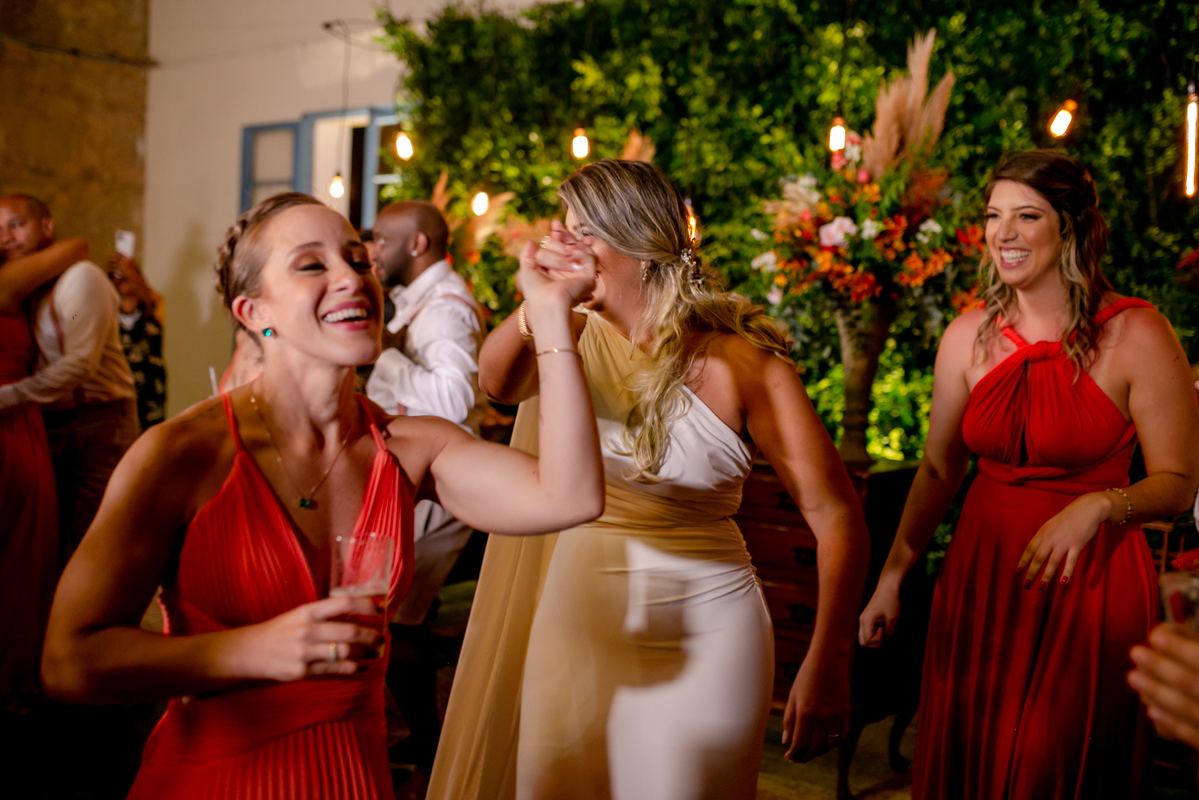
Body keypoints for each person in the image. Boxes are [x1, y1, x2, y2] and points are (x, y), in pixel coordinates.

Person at [40, 192, 604, 799]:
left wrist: (549, 313)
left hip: (355, 779)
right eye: (312, 265)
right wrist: (252, 652)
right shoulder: (183, 454)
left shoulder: (411, 447)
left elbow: (570, 496)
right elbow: (68, 661)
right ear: (254, 311)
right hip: (216, 781)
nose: (352, 279)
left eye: (359, 261)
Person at [429, 159, 869, 800]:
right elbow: (496, 385)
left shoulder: (743, 363)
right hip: (577, 618)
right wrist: (539, 307)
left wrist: (831, 658)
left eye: (583, 232)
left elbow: (837, 515)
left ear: (637, 241)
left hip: (708, 631)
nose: (564, 245)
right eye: (564, 229)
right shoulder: (565, 335)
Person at [858, 150, 1199, 798]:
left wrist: (1101, 504)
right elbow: (938, 468)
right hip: (982, 577)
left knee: (1053, 767)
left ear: (1071, 227)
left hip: (1090, 585)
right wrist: (893, 576)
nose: (1003, 233)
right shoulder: (966, 337)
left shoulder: (1138, 334)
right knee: (974, 756)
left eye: (1027, 216)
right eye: (994, 216)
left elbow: (1179, 482)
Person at [365, 200, 488, 779]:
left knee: (394, 618)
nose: (372, 252)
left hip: (435, 485)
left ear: (417, 244)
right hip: (413, 477)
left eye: (381, 241)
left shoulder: (444, 310)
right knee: (396, 617)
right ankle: (424, 741)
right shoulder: (420, 301)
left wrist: (386, 357)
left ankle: (430, 748)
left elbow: (454, 400)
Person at [0, 194, 138, 557]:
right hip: (50, 422)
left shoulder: (80, 279)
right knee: (51, 540)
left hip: (98, 422)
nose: (6, 238)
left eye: (16, 225)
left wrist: (6, 398)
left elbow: (80, 363)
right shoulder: (29, 285)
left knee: (96, 540)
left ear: (47, 227)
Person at [0, 233, 89, 710]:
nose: (4, 236)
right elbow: (77, 245)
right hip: (10, 422)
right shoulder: (8, 281)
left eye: (12, 226)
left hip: (17, 418)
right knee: (18, 552)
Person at [108, 253, 167, 429]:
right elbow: (73, 317)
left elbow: (152, 301)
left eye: (127, 275)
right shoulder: (106, 311)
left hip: (150, 392)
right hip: (117, 390)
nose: (123, 278)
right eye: (118, 275)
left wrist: (131, 271)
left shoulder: (154, 307)